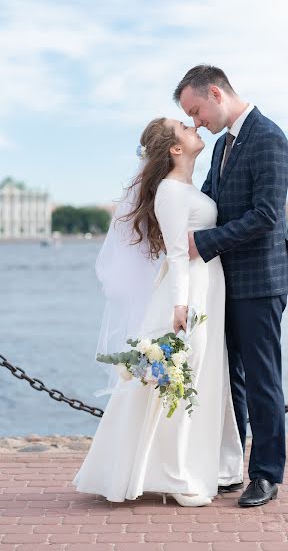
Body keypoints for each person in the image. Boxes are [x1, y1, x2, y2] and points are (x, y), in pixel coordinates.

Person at [72, 117, 243, 507]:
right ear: (175, 149)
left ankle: (201, 466)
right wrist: (181, 304)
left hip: (206, 286)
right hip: (189, 292)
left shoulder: (184, 187)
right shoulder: (169, 191)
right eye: (184, 126)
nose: (194, 126)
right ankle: (177, 475)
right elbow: (178, 253)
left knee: (201, 376)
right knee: (184, 379)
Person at [173, 65, 288, 508]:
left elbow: (266, 216)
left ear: (215, 93)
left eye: (196, 110)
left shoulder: (269, 138)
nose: (197, 121)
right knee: (228, 378)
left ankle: (267, 475)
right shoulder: (220, 148)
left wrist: (202, 243)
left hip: (260, 283)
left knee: (261, 380)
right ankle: (232, 469)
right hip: (223, 283)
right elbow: (212, 203)